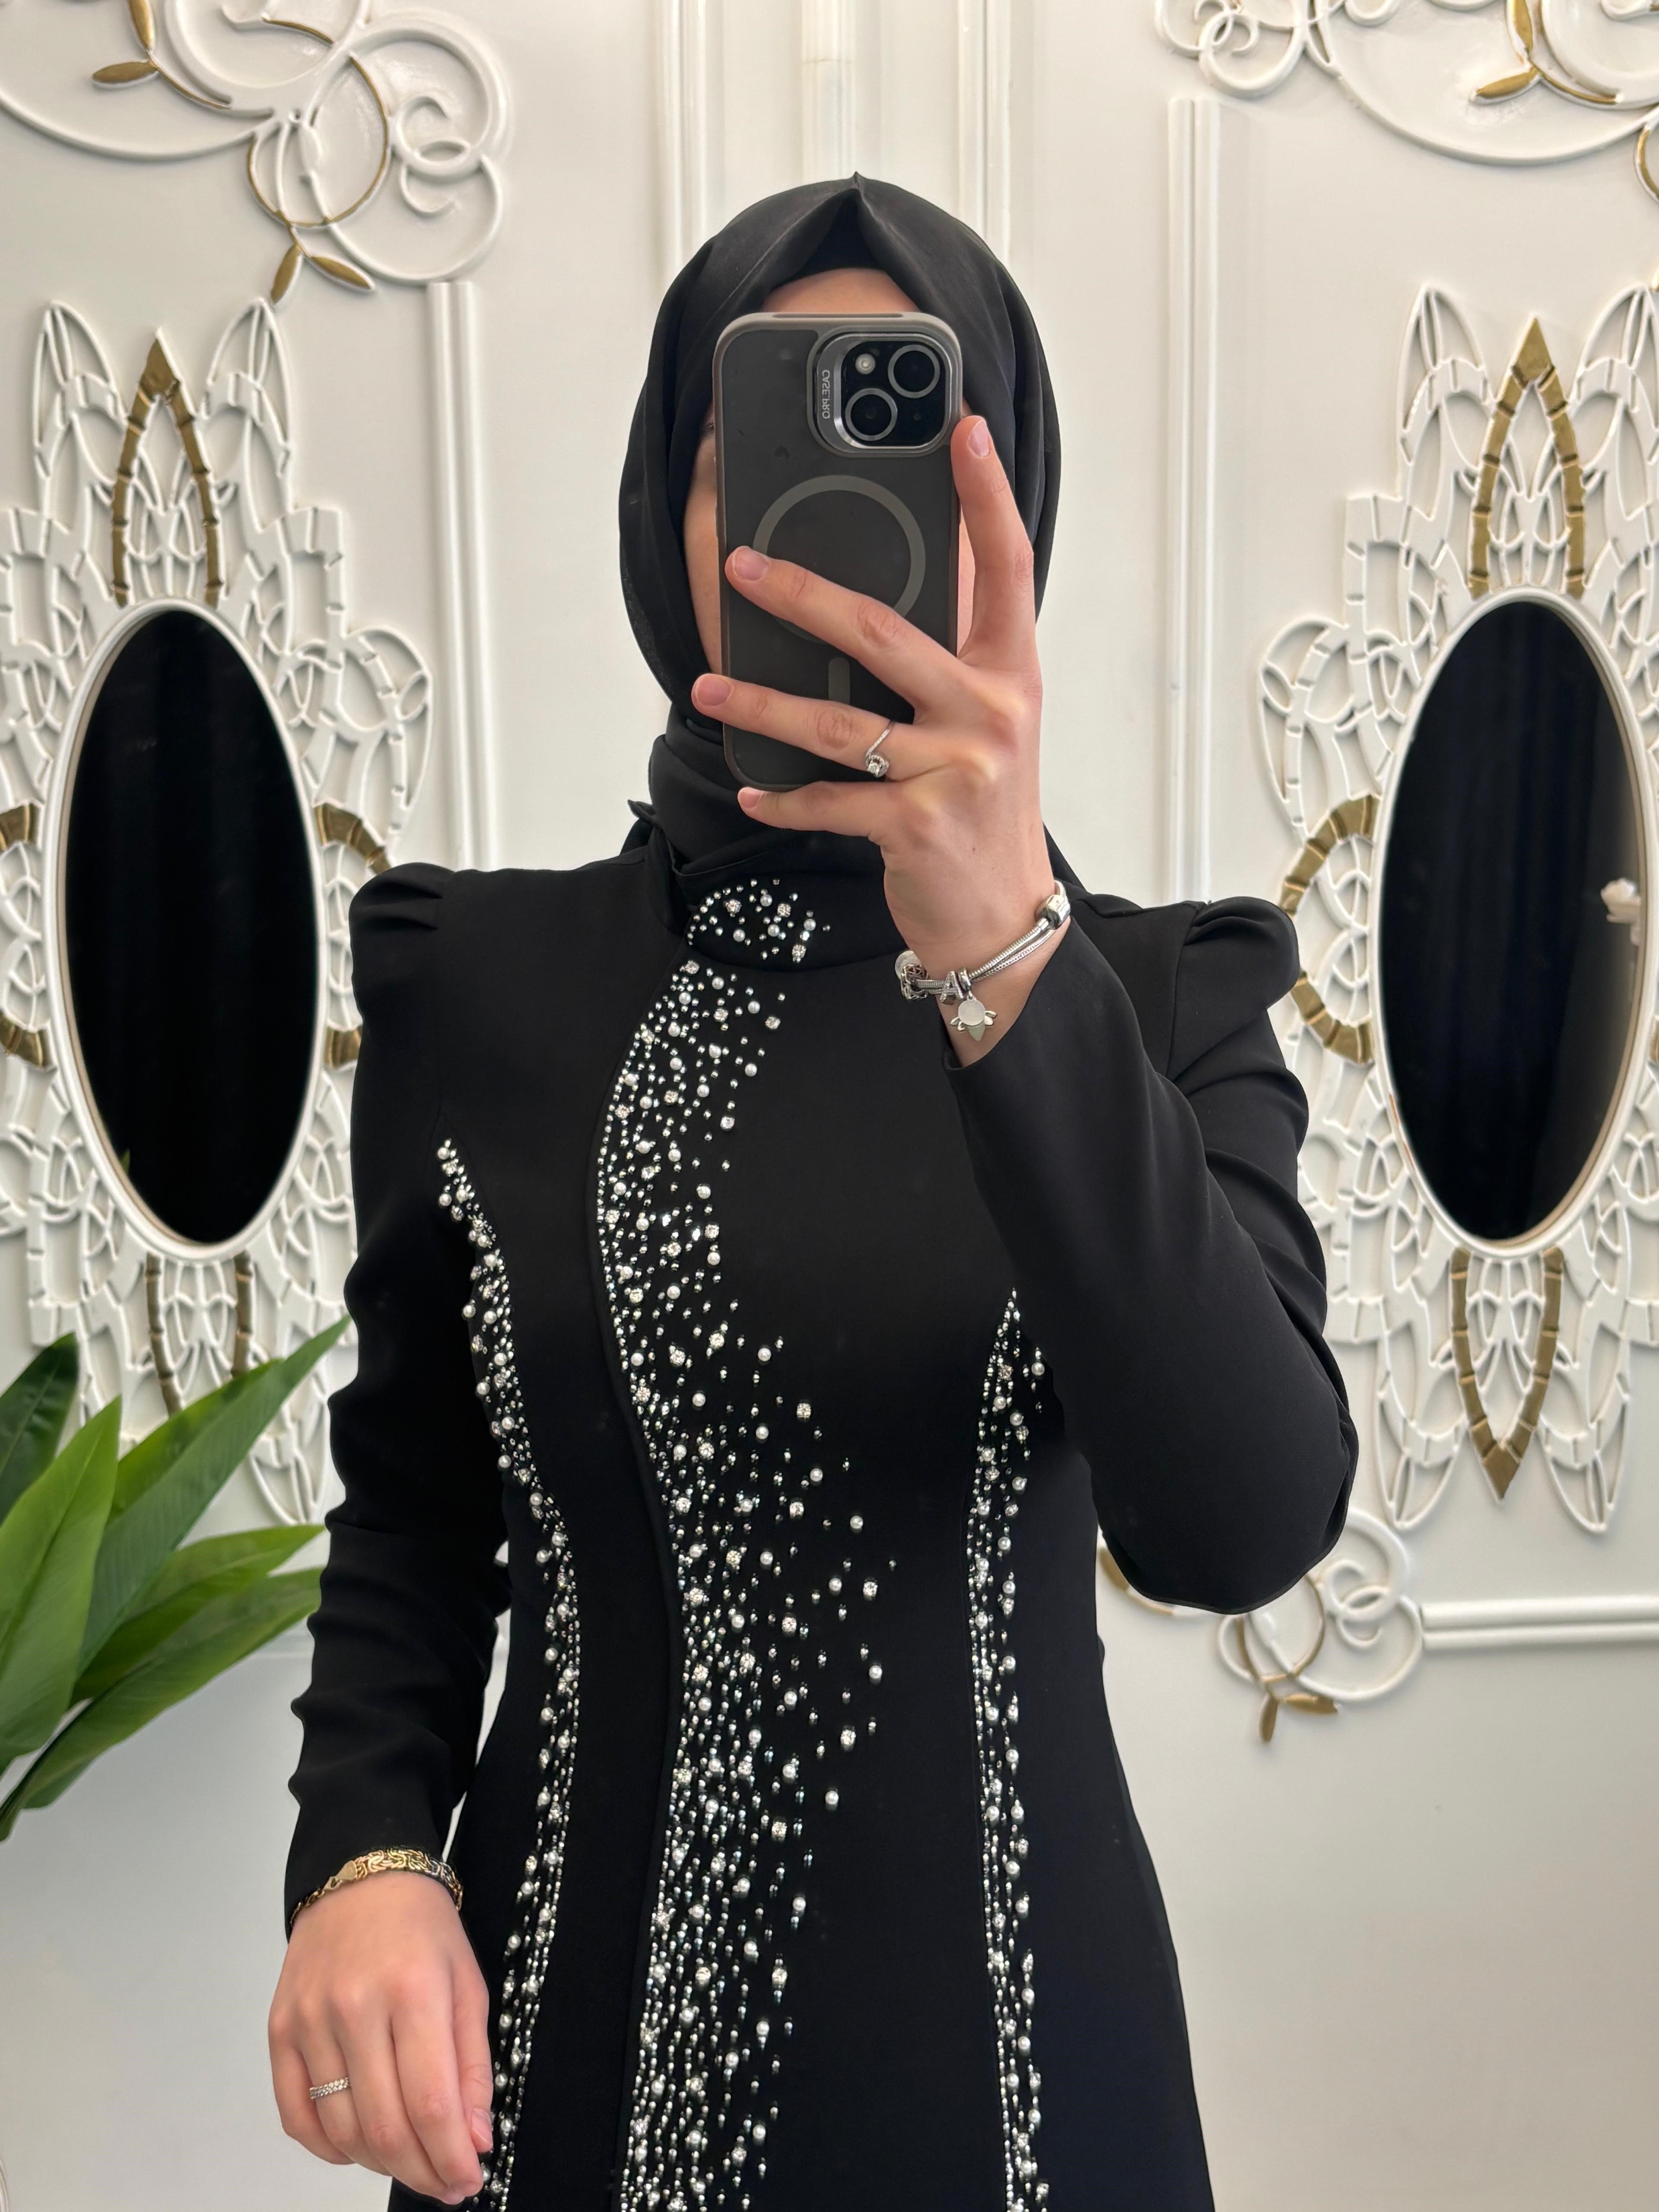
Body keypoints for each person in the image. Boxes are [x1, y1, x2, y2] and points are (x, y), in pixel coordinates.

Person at [269, 175, 1357, 2212]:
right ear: (665, 522)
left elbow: (1240, 1521)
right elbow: (413, 1502)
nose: (822, 527)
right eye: (746, 451)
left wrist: (1007, 957)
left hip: (1024, 2085)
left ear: (1009, 518)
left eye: (915, 452)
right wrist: (363, 1857)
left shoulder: (1156, 994)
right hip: (555, 2065)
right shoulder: (476, 983)